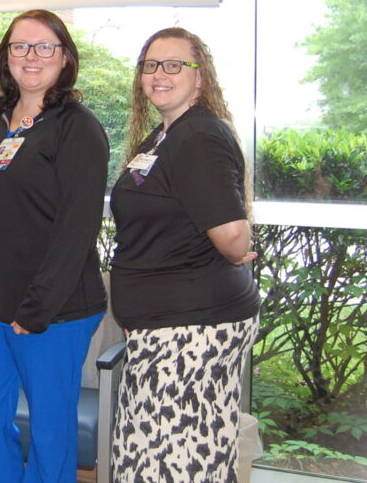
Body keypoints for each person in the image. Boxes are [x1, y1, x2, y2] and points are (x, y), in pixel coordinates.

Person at [0, 9, 110, 483]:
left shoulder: (78, 127)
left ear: (65, 58)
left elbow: (77, 228)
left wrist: (37, 307)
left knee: (49, 435)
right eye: (20, 46)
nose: (32, 56)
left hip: (53, 311)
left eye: (45, 46)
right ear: (6, 57)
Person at [109, 27, 260, 482]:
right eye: (150, 65)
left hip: (192, 329)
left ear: (201, 78)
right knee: (171, 454)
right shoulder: (164, 137)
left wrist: (237, 253)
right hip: (170, 325)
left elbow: (232, 232)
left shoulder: (197, 137)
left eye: (174, 64)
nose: (159, 74)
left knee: (172, 463)